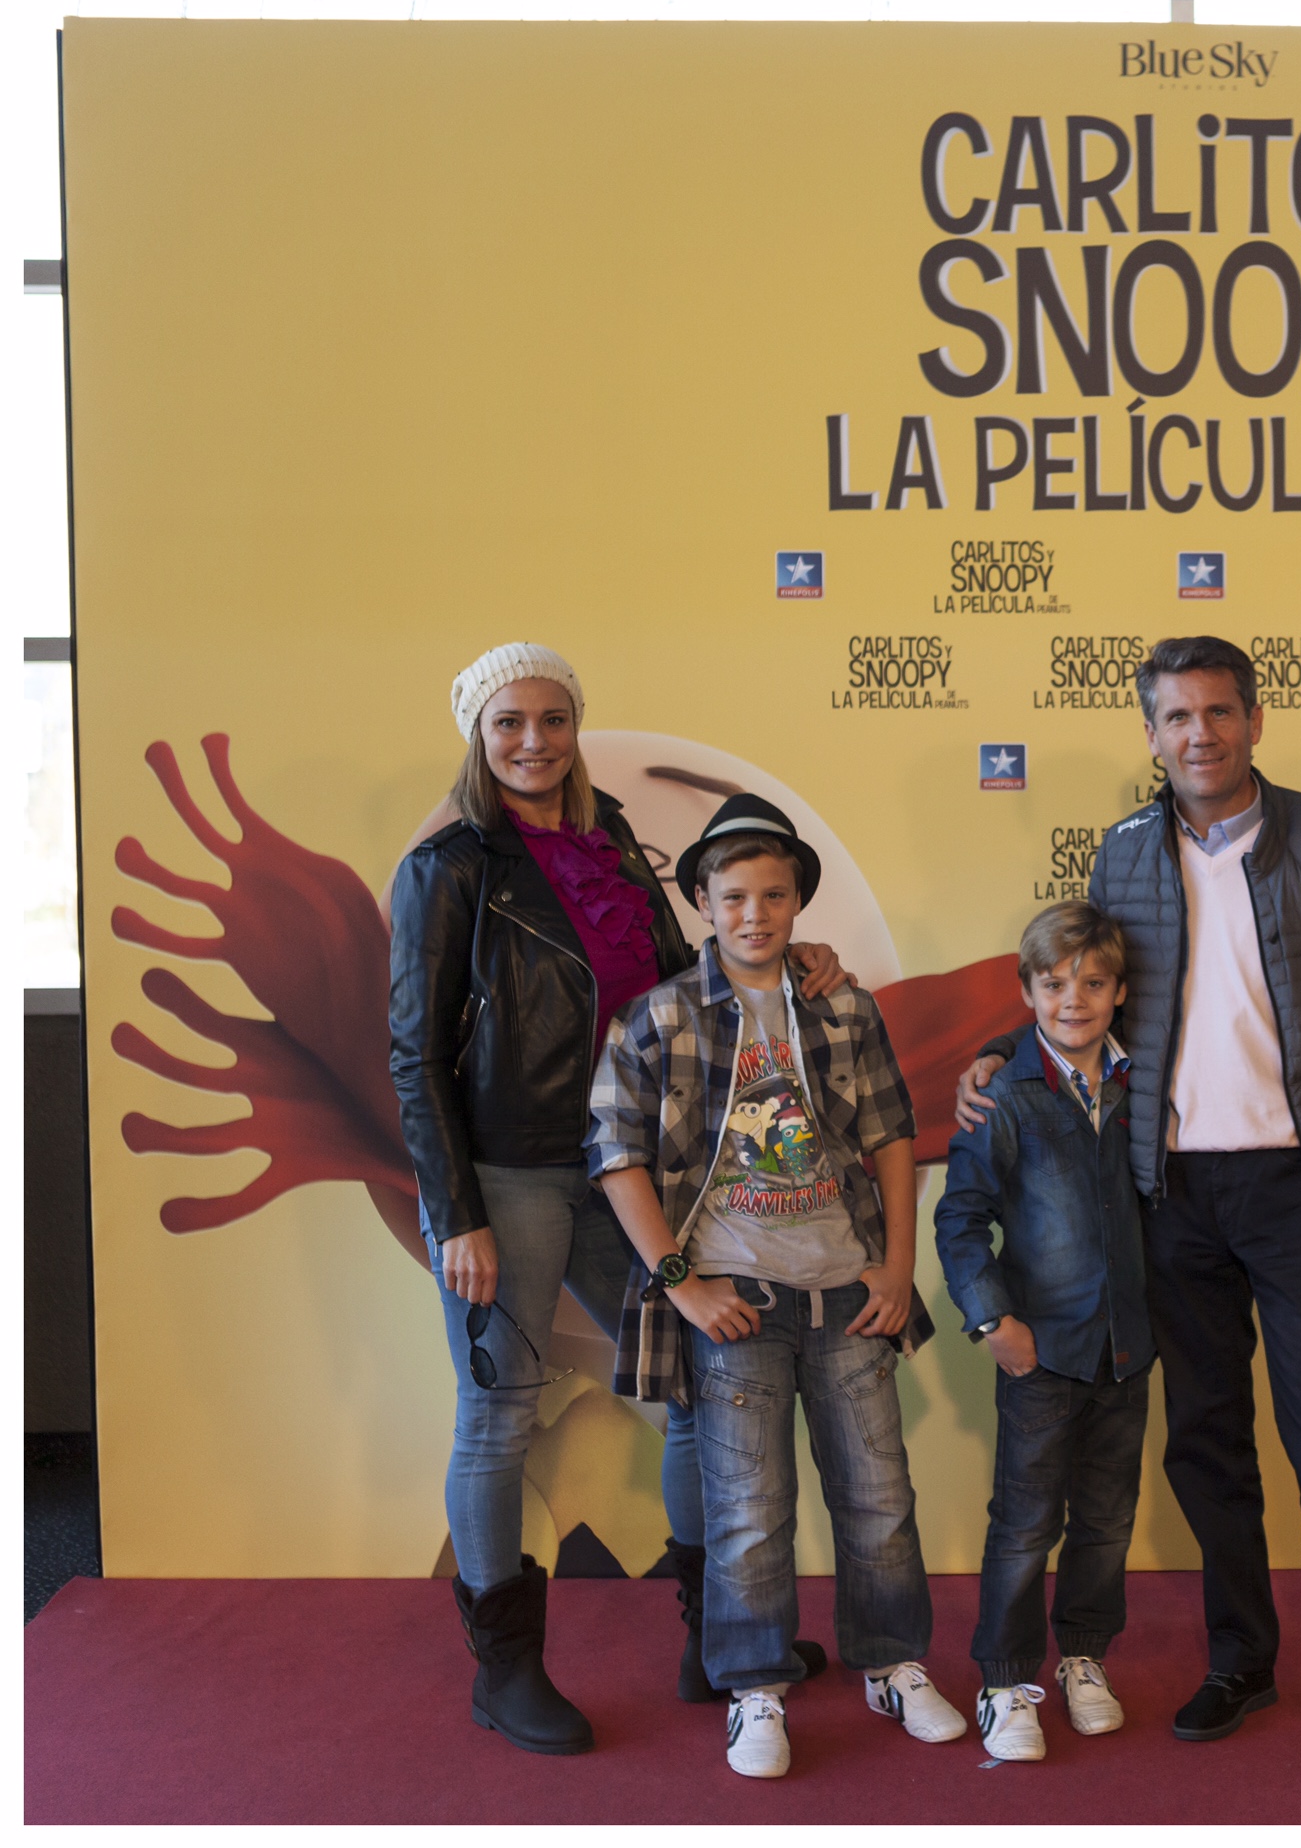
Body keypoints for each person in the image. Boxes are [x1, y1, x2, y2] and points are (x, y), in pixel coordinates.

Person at [957, 635, 1301, 1782]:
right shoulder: (1124, 854)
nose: (1199, 734)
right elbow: (1085, 994)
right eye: (1176, 716)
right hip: (1169, 1196)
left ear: (1255, 721)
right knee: (1207, 1444)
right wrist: (1001, 1052)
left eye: (1218, 712)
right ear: (1152, 734)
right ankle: (1241, 1660)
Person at [389, 643, 847, 1754]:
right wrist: (456, 1212)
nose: (534, 740)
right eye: (510, 722)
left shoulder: (616, 848)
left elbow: (687, 984)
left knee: (692, 1386)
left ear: (575, 727)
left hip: (633, 1165)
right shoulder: (450, 865)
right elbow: (416, 1052)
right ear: (479, 734)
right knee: (499, 1413)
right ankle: (504, 1672)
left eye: (553, 718)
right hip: (509, 1173)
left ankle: (718, 1638)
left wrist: (787, 962)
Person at [587, 794, 965, 1779]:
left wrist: (896, 1266)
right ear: (703, 902)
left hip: (846, 1290)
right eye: (734, 897)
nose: (754, 914)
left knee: (878, 1497)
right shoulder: (658, 1016)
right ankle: (755, 1688)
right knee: (750, 1511)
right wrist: (682, 1284)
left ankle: (892, 1663)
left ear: (798, 902)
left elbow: (892, 1134)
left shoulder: (842, 1005)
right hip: (736, 1303)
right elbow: (617, 1157)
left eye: (773, 896)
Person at [933, 901, 1154, 1763]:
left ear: (1120, 991)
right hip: (1041, 1353)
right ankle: (1005, 1679)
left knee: (1106, 1519)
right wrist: (994, 1318)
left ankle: (1084, 1657)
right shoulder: (1004, 1095)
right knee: (1025, 1523)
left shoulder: (1142, 1080)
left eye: (1094, 984)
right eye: (1055, 984)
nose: (1074, 1001)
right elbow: (960, 1219)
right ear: (1027, 991)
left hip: (1126, 1351)